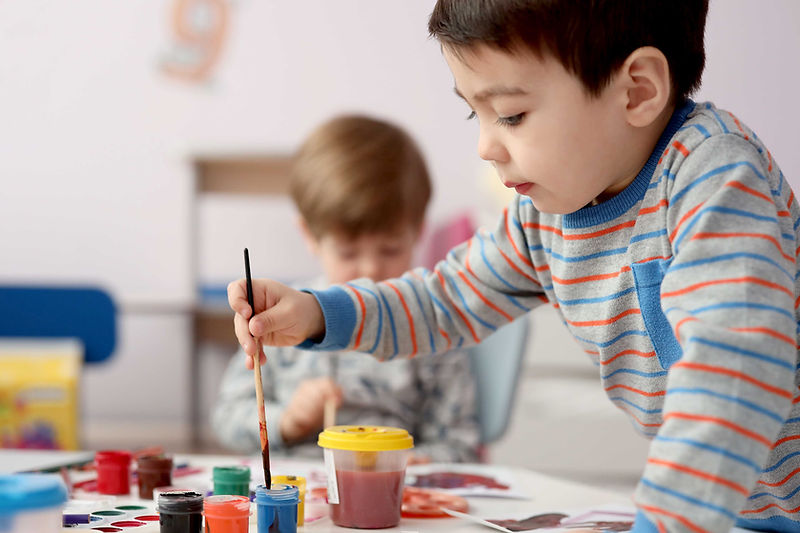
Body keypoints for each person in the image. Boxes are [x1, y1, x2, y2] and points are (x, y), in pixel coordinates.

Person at [227, 1, 800, 531]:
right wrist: (319, 313)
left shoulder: (715, 180)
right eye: (473, 113)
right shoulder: (545, 214)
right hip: (742, 509)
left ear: (636, 91)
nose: (485, 146)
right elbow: (444, 301)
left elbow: (733, 368)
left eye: (512, 115)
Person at [212, 114, 480, 463]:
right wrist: (288, 422)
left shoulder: (432, 327)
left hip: (392, 493)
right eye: (348, 252)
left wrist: (416, 462)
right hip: (296, 493)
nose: (369, 268)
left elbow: (460, 446)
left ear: (418, 232)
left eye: (390, 249)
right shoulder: (279, 321)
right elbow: (227, 418)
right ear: (309, 235)